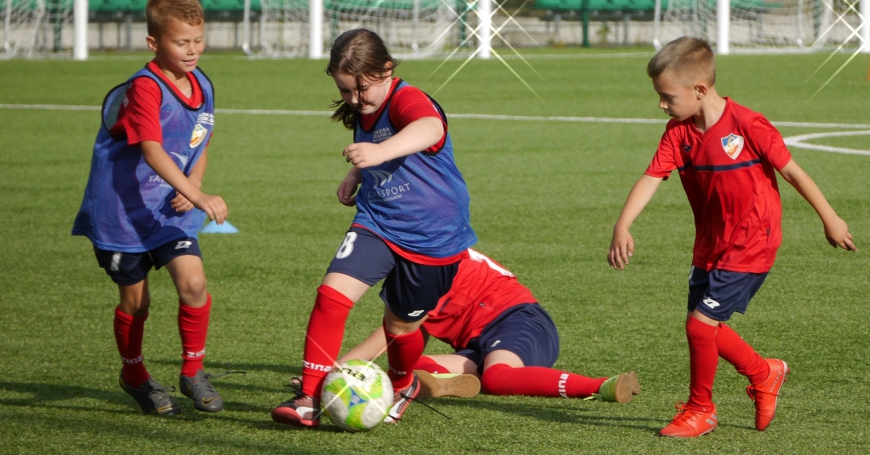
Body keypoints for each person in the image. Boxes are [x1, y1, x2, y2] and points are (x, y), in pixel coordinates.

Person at [607, 37, 857, 438]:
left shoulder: (748, 125)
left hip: (752, 242)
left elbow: (792, 171)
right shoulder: (678, 134)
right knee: (707, 327)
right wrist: (623, 225)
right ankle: (765, 372)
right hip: (710, 244)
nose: (661, 105)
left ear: (700, 89)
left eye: (667, 96)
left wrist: (830, 218)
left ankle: (701, 409)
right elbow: (652, 177)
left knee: (699, 327)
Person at [270, 28, 478, 428]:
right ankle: (309, 397)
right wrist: (358, 175)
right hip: (378, 222)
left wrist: (378, 151)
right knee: (331, 295)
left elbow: (429, 129)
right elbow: (383, 154)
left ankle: (403, 384)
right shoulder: (365, 107)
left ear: (386, 69)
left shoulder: (406, 98)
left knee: (400, 326)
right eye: (345, 91)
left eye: (361, 90)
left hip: (434, 236)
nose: (354, 100)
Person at [72, 0, 229, 416]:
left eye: (198, 39)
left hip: (168, 211)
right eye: (182, 42)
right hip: (121, 215)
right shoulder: (145, 88)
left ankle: (192, 371)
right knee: (136, 304)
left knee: (193, 284)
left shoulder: (203, 84)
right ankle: (135, 375)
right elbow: (152, 150)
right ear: (154, 43)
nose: (193, 50)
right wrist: (199, 194)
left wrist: (189, 185)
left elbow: (201, 138)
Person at [338, 248, 641, 405]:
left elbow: (384, 341)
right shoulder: (424, 258)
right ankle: (441, 384)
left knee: (497, 378)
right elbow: (398, 341)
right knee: (399, 367)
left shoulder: (431, 265)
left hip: (519, 321)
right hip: (477, 347)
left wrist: (332, 375)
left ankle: (603, 385)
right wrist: (342, 373)